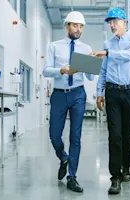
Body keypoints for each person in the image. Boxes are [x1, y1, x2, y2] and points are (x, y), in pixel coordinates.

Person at [92, 8, 130, 195]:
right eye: (110, 22)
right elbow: (103, 71)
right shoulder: (108, 44)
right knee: (115, 135)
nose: (112, 25)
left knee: (127, 135)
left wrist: (108, 54)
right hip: (112, 92)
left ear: (124, 22)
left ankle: (126, 166)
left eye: (114, 21)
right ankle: (115, 177)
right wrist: (99, 93)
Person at [43, 11, 94, 193]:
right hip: (59, 94)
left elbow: (89, 76)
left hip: (78, 94)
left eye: (80, 26)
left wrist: (93, 63)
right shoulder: (54, 46)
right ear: (67, 26)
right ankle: (63, 157)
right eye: (74, 25)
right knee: (54, 135)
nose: (78, 29)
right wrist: (62, 71)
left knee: (76, 136)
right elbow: (46, 71)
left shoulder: (86, 48)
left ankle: (72, 177)